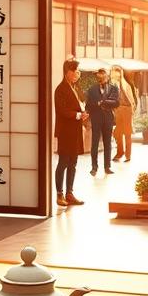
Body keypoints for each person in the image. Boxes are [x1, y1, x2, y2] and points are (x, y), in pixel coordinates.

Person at [53, 58, 87, 206]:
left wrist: (83, 113)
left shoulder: (76, 88)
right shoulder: (61, 89)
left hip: (76, 130)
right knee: (63, 162)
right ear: (67, 72)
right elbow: (62, 110)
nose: (77, 74)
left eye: (78, 72)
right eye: (75, 71)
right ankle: (59, 194)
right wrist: (78, 115)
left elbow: (80, 105)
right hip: (66, 131)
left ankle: (69, 193)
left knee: (73, 162)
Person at [85, 68, 119, 176]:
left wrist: (101, 102)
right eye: (99, 77)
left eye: (103, 76)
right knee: (94, 144)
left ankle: (107, 167)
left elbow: (116, 102)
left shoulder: (113, 88)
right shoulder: (91, 89)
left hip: (108, 119)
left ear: (107, 77)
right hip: (96, 119)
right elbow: (88, 106)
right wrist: (98, 104)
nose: (101, 79)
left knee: (108, 143)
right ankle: (94, 167)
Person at [110, 65, 137, 162]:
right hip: (118, 110)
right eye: (114, 72)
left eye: (117, 72)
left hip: (127, 109)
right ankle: (120, 152)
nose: (115, 75)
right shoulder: (113, 84)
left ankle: (128, 155)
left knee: (127, 133)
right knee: (117, 133)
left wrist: (132, 110)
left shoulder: (126, 84)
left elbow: (132, 100)